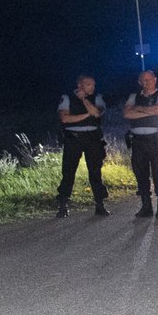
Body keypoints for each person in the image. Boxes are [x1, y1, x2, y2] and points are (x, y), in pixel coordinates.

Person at [55, 74, 108, 217]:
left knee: (95, 172)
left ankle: (100, 204)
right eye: (89, 85)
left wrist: (84, 100)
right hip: (73, 139)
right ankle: (63, 204)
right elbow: (65, 118)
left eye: (93, 85)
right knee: (68, 172)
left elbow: (96, 113)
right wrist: (86, 116)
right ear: (80, 86)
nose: (93, 87)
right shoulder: (66, 98)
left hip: (93, 139)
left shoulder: (97, 97)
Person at [123, 70, 158, 218]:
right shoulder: (133, 96)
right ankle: (146, 207)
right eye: (143, 80)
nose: (146, 83)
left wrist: (138, 109)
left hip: (156, 141)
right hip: (138, 141)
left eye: (149, 80)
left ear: (155, 80)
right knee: (140, 174)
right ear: (139, 82)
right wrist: (148, 112)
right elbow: (127, 114)